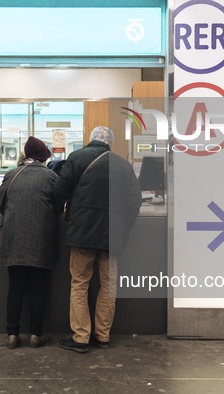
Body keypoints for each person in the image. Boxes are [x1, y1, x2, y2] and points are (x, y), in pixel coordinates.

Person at [54, 126, 142, 353]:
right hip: (112, 236)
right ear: (109, 142)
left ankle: (81, 337)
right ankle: (103, 335)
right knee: (109, 286)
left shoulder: (76, 158)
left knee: (80, 283)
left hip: (82, 233)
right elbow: (135, 201)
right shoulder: (123, 164)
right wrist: (123, 226)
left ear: (90, 139)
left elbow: (59, 190)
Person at [0, 136, 63, 349]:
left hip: (13, 239)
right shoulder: (51, 177)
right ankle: (36, 335)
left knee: (15, 288)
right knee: (38, 289)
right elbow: (58, 207)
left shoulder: (11, 175)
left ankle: (12, 335)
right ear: (43, 157)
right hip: (40, 239)